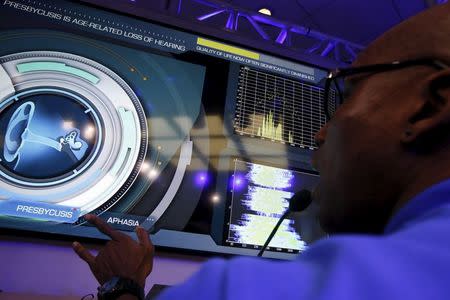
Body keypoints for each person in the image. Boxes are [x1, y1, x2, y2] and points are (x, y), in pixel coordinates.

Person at [73, 3, 450, 299]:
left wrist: (121, 286)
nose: (320, 134)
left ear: (431, 106)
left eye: (345, 96)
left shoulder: (238, 291)